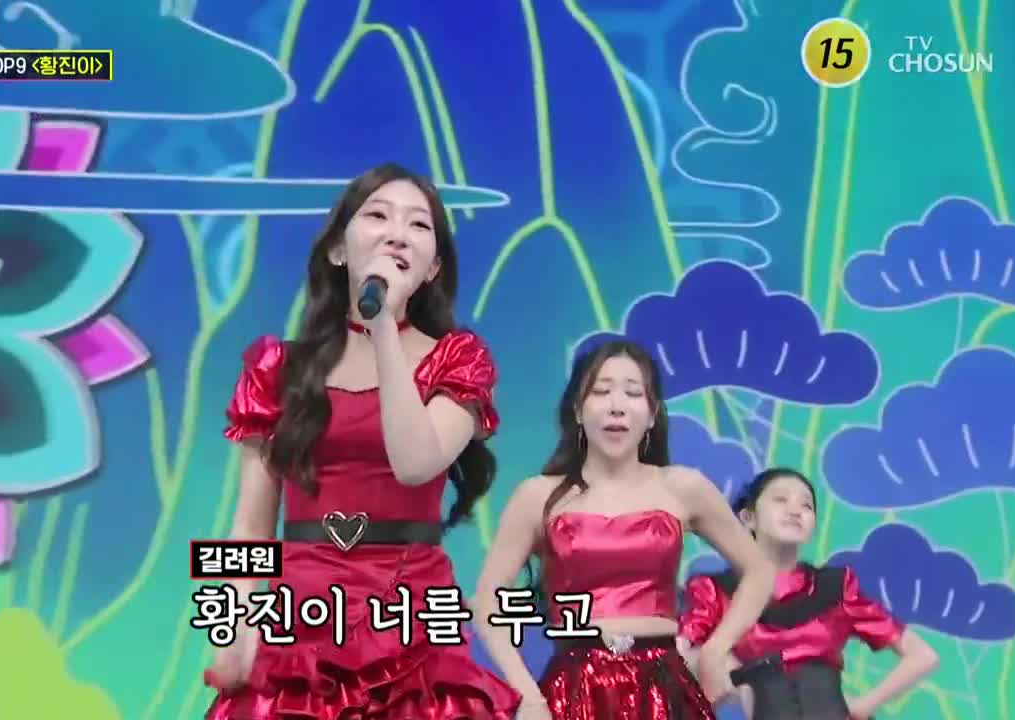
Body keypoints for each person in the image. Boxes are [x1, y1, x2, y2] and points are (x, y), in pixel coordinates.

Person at [201, 163, 520, 719]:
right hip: (298, 628)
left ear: (433, 267)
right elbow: (249, 527)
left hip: (411, 623)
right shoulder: (278, 369)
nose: (398, 234)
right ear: (338, 251)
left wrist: (383, 328)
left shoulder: (459, 360)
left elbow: (416, 462)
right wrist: (230, 630)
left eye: (418, 225)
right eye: (377, 216)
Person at [471, 339, 776, 719]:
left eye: (633, 393)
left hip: (664, 687)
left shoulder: (683, 487)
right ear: (578, 410)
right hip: (575, 687)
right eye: (601, 391)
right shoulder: (537, 496)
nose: (616, 406)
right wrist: (529, 697)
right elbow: (486, 601)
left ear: (652, 414)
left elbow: (760, 570)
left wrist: (716, 650)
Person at [679, 468, 939, 719]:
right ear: (748, 518)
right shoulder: (716, 590)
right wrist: (731, 675)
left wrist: (863, 706)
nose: (795, 511)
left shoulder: (835, 587)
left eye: (806, 506)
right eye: (780, 500)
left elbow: (922, 656)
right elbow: (677, 656)